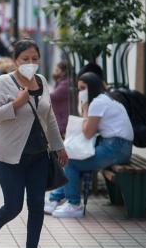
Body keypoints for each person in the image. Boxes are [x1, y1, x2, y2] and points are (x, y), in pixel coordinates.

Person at [0, 39, 68, 248]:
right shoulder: (4, 82)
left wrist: (59, 146)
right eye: (25, 59)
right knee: (13, 206)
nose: (30, 63)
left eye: (34, 59)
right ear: (15, 61)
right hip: (10, 157)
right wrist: (16, 104)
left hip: (39, 156)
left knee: (37, 206)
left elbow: (48, 117)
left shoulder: (41, 81)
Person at [45, 72, 134, 218]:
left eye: (83, 88)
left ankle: (73, 205)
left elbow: (87, 132)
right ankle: (55, 198)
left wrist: (85, 107)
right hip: (119, 147)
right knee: (76, 160)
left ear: (91, 87)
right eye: (79, 89)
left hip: (115, 148)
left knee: (71, 161)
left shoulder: (97, 103)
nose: (81, 92)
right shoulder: (106, 99)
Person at [50, 61, 70, 136]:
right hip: (61, 117)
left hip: (63, 119)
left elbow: (53, 96)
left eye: (57, 70)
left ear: (63, 72)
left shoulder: (65, 84)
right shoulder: (61, 82)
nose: (55, 73)